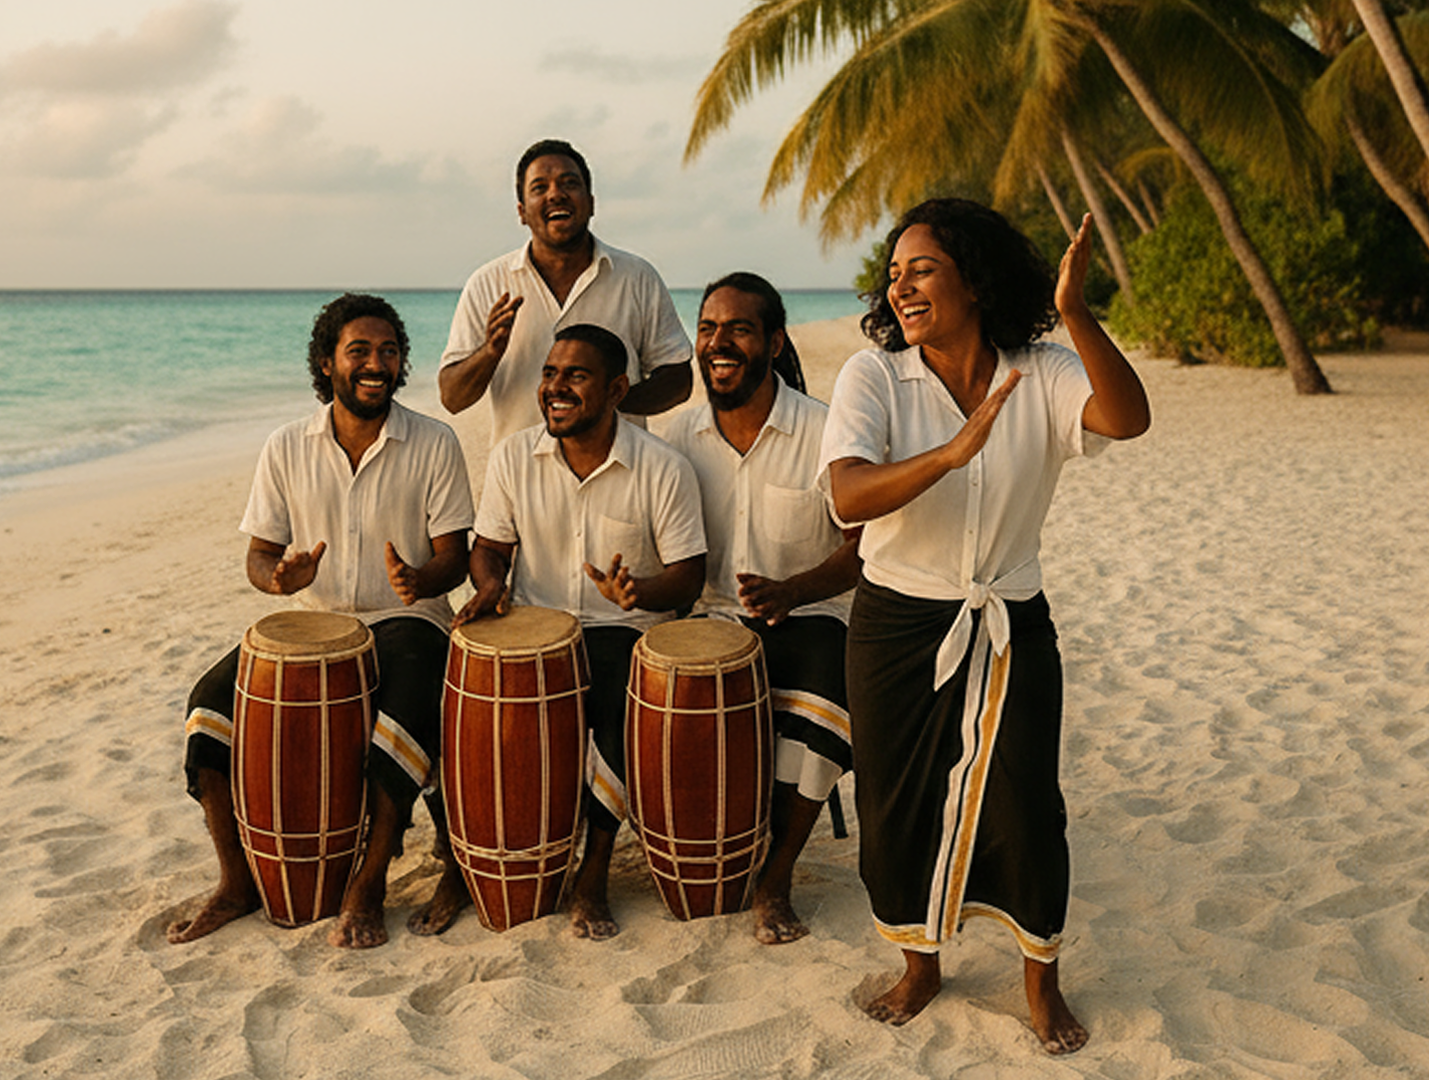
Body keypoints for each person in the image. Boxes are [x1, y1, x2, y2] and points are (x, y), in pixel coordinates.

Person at [820, 201, 1150, 1053]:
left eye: (920, 269)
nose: (900, 288)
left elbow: (1128, 418)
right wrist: (950, 453)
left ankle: (1042, 980)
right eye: (892, 275)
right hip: (895, 624)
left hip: (1009, 619)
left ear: (973, 279)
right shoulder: (875, 377)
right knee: (899, 805)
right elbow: (848, 495)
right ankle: (921, 964)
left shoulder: (1040, 371)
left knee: (1026, 807)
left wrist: (1076, 313)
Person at [166, 293, 477, 949]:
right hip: (314, 624)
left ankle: (368, 884)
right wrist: (279, 578)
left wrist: (422, 578)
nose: (376, 364)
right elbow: (258, 556)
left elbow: (457, 554)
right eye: (358, 351)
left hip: (409, 618)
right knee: (207, 710)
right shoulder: (286, 446)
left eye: (388, 352)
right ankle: (235, 881)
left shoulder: (435, 441)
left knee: (402, 715)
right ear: (326, 362)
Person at [453, 322, 708, 939]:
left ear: (618, 388)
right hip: (536, 626)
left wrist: (638, 592)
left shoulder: (663, 468)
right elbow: (488, 547)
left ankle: (593, 870)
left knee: (620, 703)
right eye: (548, 373)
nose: (555, 388)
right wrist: (489, 585)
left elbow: (689, 576)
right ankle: (480, 860)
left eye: (575, 375)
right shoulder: (515, 456)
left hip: (625, 629)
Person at [658, 271, 860, 945]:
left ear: (774, 344)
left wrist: (795, 590)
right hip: (710, 618)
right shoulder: (676, 438)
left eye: (738, 329)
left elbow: (864, 549)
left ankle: (776, 876)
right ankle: (701, 853)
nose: (718, 343)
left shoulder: (827, 430)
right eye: (708, 328)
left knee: (829, 698)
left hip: (810, 613)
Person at [439, 138, 694, 444]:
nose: (556, 195)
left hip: (620, 475)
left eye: (569, 183)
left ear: (591, 202)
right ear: (521, 211)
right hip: (520, 479)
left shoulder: (636, 277)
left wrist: (606, 401)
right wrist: (490, 352)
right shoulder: (488, 284)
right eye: (539, 187)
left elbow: (679, 380)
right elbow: (452, 398)